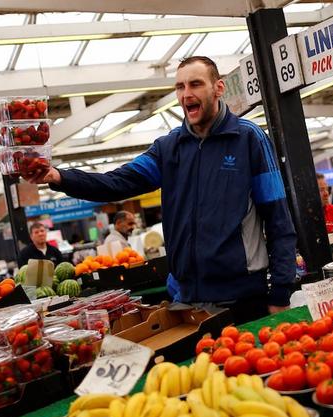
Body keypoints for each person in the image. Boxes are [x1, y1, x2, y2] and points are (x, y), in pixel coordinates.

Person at [25, 56, 297, 321]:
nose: (186, 93)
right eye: (180, 87)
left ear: (218, 88)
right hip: (187, 302)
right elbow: (116, 183)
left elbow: (278, 219)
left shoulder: (248, 139)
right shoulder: (168, 150)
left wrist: (281, 292)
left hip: (242, 300)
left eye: (196, 84)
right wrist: (59, 177)